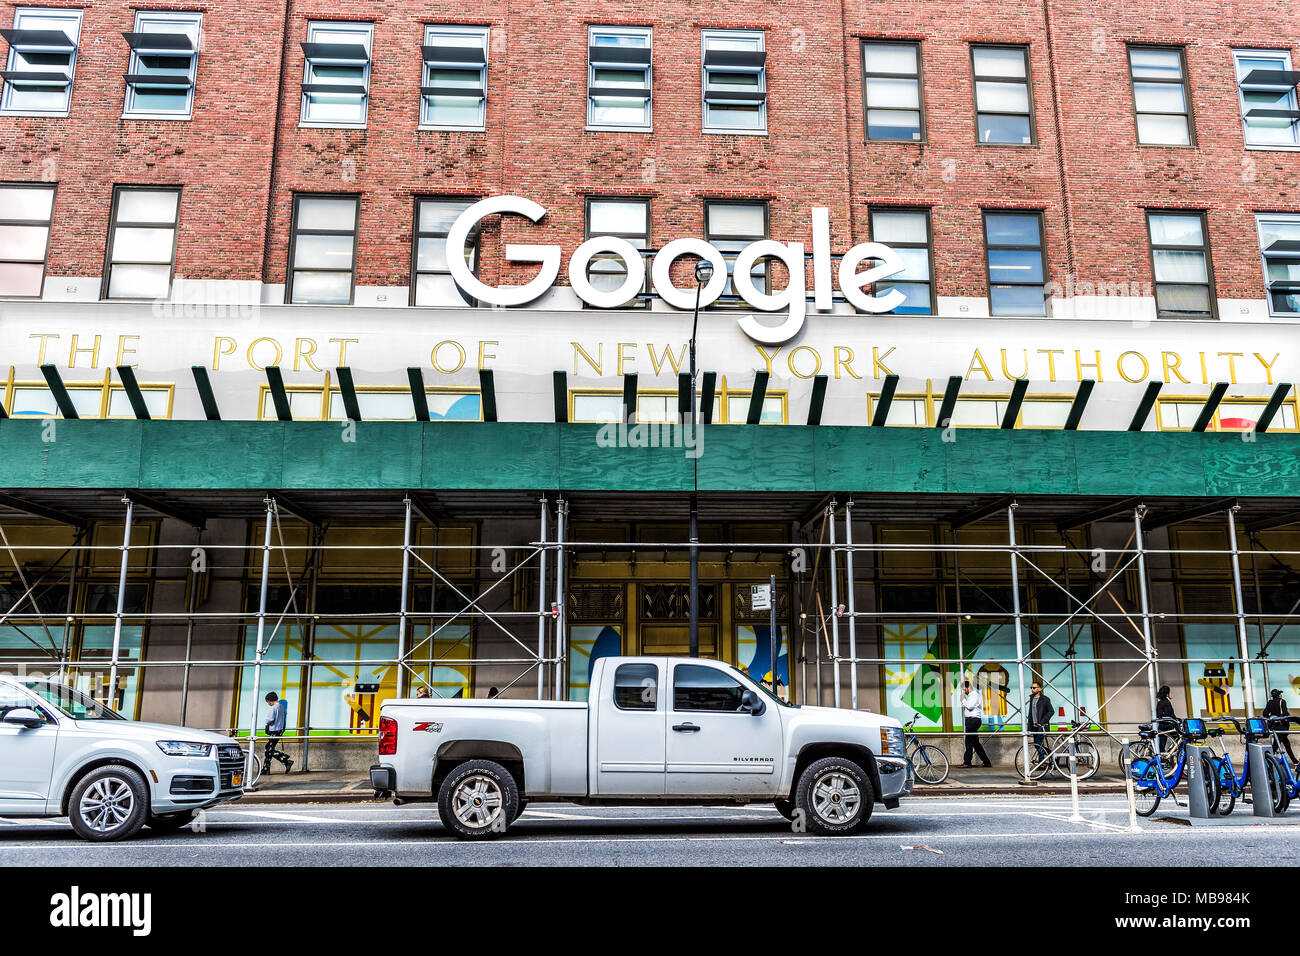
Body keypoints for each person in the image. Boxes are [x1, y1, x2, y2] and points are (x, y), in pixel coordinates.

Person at [958, 680, 991, 768]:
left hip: (973, 720)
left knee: (968, 741)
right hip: (972, 720)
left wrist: (963, 700)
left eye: (964, 689)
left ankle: (967, 762)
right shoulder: (972, 695)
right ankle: (986, 761)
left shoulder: (974, 695)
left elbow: (970, 706)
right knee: (975, 743)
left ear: (968, 687)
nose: (964, 691)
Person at [1263, 688, 1297, 765]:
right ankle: (1266, 762)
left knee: (1287, 744)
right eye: (1280, 693)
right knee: (1275, 746)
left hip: (1275, 726)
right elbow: (1285, 713)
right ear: (1278, 695)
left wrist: (1273, 718)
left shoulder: (1270, 702)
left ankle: (1295, 761)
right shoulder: (1282, 701)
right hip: (1282, 727)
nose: (1281, 694)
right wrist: (1287, 717)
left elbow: (1265, 713)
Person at [262, 691, 293, 775]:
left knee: (269, 749)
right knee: (268, 748)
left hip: (274, 731)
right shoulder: (281, 707)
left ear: (270, 700)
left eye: (267, 701)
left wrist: (266, 722)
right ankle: (265, 768)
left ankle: (286, 760)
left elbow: (269, 720)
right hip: (279, 731)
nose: (268, 703)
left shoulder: (273, 708)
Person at [1027, 680, 1054, 762]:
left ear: (1040, 689)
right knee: (1037, 744)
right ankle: (1051, 755)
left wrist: (1043, 721)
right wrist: (1029, 726)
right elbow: (1031, 713)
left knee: (1038, 744)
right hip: (1034, 726)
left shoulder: (1045, 699)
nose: (1032, 689)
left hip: (1041, 726)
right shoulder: (1032, 699)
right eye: (1031, 687)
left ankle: (1042, 761)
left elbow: (1051, 711)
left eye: (1034, 687)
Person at [1155, 685, 1177, 755]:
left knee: (1162, 743)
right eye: (1170, 692)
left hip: (1162, 725)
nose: (1171, 694)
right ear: (1167, 693)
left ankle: (1162, 755)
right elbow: (1169, 714)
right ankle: (1171, 754)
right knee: (1178, 738)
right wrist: (1176, 720)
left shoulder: (1160, 702)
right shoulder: (1166, 702)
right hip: (1167, 725)